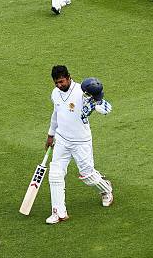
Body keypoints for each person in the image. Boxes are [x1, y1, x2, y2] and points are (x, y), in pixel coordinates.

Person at [45, 65, 114, 224]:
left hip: (80, 142)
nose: (59, 85)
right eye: (56, 83)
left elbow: (105, 109)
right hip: (62, 140)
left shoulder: (82, 93)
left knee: (88, 175)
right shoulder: (55, 93)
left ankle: (106, 189)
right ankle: (59, 213)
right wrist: (50, 135)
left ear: (69, 77)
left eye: (61, 82)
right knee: (55, 174)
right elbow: (56, 115)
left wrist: (97, 100)